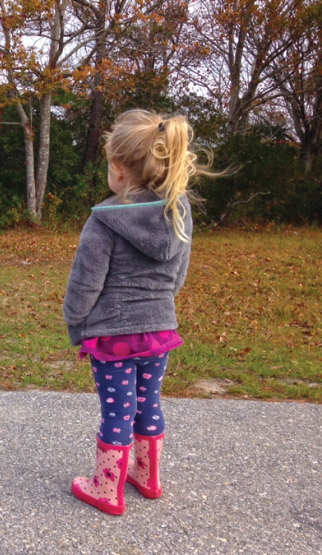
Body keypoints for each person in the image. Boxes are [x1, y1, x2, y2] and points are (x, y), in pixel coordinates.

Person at [62, 109, 214, 516]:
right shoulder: (176, 214)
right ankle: (147, 477)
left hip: (112, 337)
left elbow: (85, 284)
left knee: (117, 410)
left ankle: (106, 488)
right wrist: (160, 308)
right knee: (149, 402)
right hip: (160, 330)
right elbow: (177, 276)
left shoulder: (103, 221)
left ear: (118, 169)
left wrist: (76, 324)